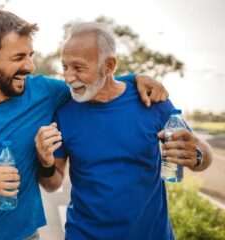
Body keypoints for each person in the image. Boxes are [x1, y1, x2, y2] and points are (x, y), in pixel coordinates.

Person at [0, 10, 169, 240]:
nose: (29, 66)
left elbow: (96, 83)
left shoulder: (44, 92)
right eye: (18, 57)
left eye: (30, 55)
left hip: (27, 234)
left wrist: (135, 78)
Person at [35, 22, 213, 240]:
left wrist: (197, 155)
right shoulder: (64, 112)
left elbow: (203, 154)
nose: (69, 78)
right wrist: (45, 164)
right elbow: (52, 184)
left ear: (109, 66)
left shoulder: (151, 100)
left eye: (79, 68)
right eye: (65, 67)